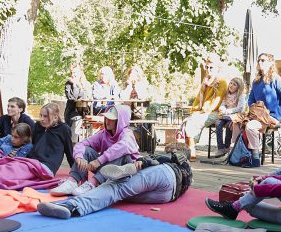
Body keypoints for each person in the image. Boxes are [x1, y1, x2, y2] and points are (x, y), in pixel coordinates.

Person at [36, 143, 193, 219]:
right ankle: (114, 179)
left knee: (116, 188)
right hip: (167, 196)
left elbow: (166, 158)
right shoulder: (189, 176)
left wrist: (145, 162)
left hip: (163, 175)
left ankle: (72, 206)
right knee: (119, 194)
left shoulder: (178, 159)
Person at [0, 103, 73, 191]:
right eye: (41, 115)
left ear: (55, 117)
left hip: (45, 167)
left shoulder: (64, 129)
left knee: (14, 169)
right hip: (30, 162)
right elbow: (29, 142)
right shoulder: (38, 126)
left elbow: (69, 151)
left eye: (45, 116)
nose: (42, 119)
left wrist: (75, 175)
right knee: (11, 174)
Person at [50, 105, 140, 196]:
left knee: (122, 154)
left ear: (120, 121)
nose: (107, 121)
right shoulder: (103, 134)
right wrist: (79, 157)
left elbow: (123, 146)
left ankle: (93, 183)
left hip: (125, 172)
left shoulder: (127, 134)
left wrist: (99, 160)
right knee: (86, 150)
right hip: (106, 171)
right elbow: (81, 144)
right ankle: (72, 181)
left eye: (111, 119)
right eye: (106, 117)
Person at [233, 53, 281, 168]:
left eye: (263, 60)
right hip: (257, 115)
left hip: (271, 116)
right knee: (236, 123)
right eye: (259, 60)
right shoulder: (256, 81)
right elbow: (251, 99)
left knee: (250, 127)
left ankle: (255, 158)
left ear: (270, 63)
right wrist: (253, 109)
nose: (260, 62)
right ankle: (240, 154)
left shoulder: (276, 80)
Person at [184, 54, 228, 160]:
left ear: (217, 68)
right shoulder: (206, 81)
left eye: (211, 67)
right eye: (207, 67)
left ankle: (191, 150)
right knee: (188, 120)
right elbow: (199, 99)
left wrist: (203, 111)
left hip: (217, 112)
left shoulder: (221, 82)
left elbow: (217, 101)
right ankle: (190, 149)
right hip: (204, 111)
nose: (208, 70)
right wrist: (195, 109)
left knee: (194, 120)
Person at [214, 77, 246, 158]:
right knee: (218, 123)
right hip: (225, 115)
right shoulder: (226, 94)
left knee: (229, 125)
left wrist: (228, 111)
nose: (231, 86)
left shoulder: (241, 95)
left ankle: (227, 146)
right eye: (231, 83)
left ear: (239, 88)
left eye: (234, 85)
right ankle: (221, 148)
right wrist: (222, 108)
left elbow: (240, 108)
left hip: (234, 116)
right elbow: (222, 104)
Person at [64, 64, 92, 143]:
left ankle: (74, 143)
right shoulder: (68, 84)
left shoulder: (87, 84)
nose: (73, 75)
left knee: (77, 119)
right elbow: (72, 98)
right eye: (72, 72)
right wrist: (75, 85)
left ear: (80, 72)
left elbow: (86, 97)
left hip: (84, 111)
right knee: (74, 120)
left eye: (75, 72)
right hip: (71, 111)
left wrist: (79, 86)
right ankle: (72, 144)